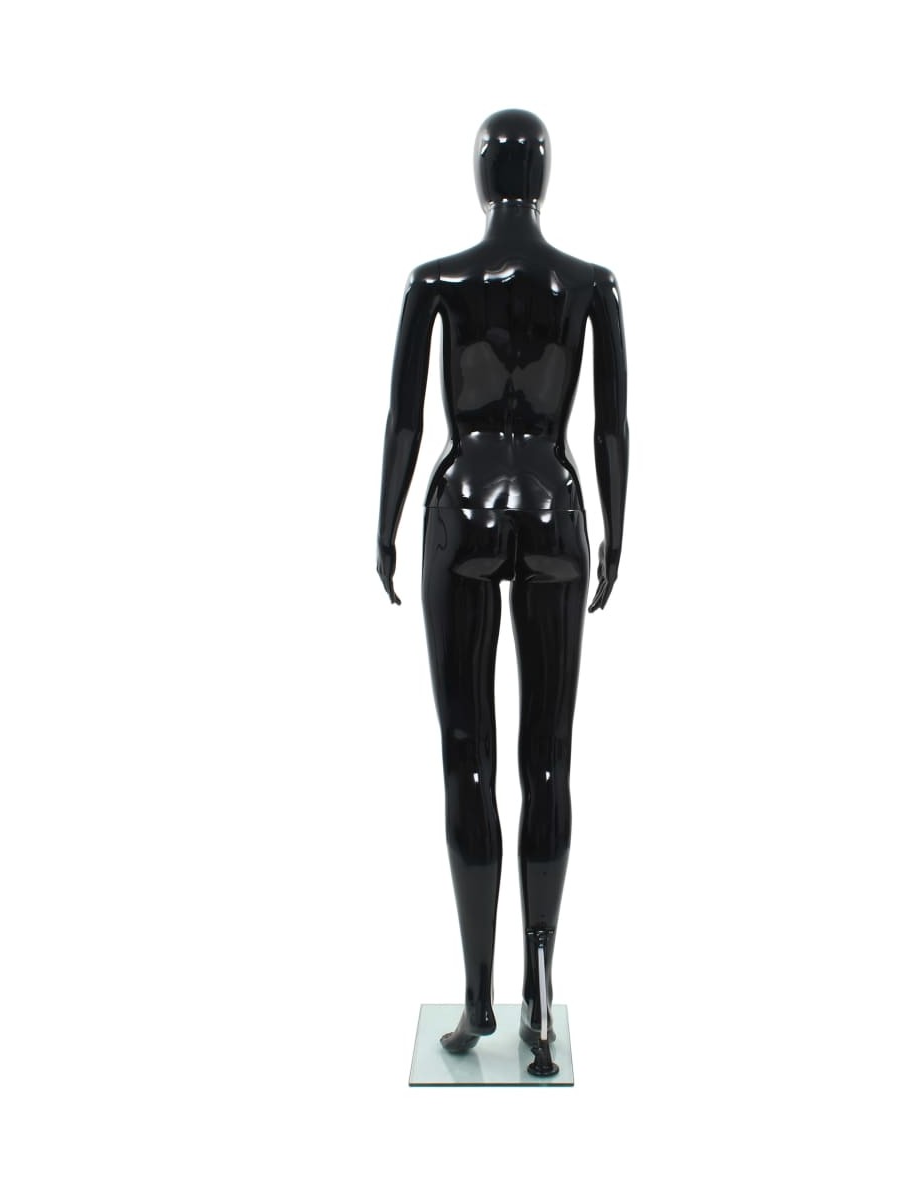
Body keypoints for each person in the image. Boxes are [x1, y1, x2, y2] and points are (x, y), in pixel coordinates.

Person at [376, 109, 629, 1077]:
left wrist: (385, 523)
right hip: (557, 507)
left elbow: (404, 418)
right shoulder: (589, 285)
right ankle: (540, 993)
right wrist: (616, 532)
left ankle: (480, 997)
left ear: (482, 176)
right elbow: (611, 427)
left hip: (465, 509)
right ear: (543, 175)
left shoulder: (438, 283)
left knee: (466, 759)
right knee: (549, 762)